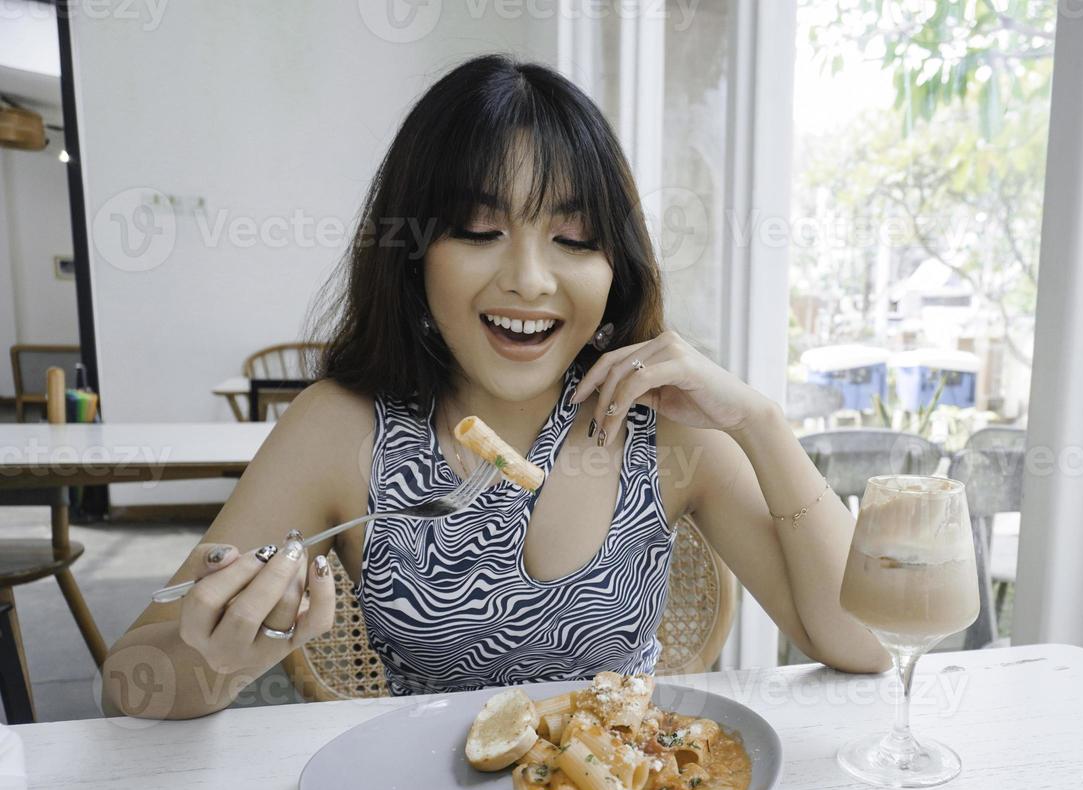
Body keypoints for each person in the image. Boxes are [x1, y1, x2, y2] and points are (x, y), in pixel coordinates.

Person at [104, 54, 888, 719]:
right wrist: (228, 653)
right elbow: (130, 687)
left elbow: (865, 642)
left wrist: (759, 421)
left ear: (615, 267)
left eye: (574, 239)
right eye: (479, 232)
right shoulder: (339, 429)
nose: (529, 279)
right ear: (414, 253)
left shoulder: (664, 426)